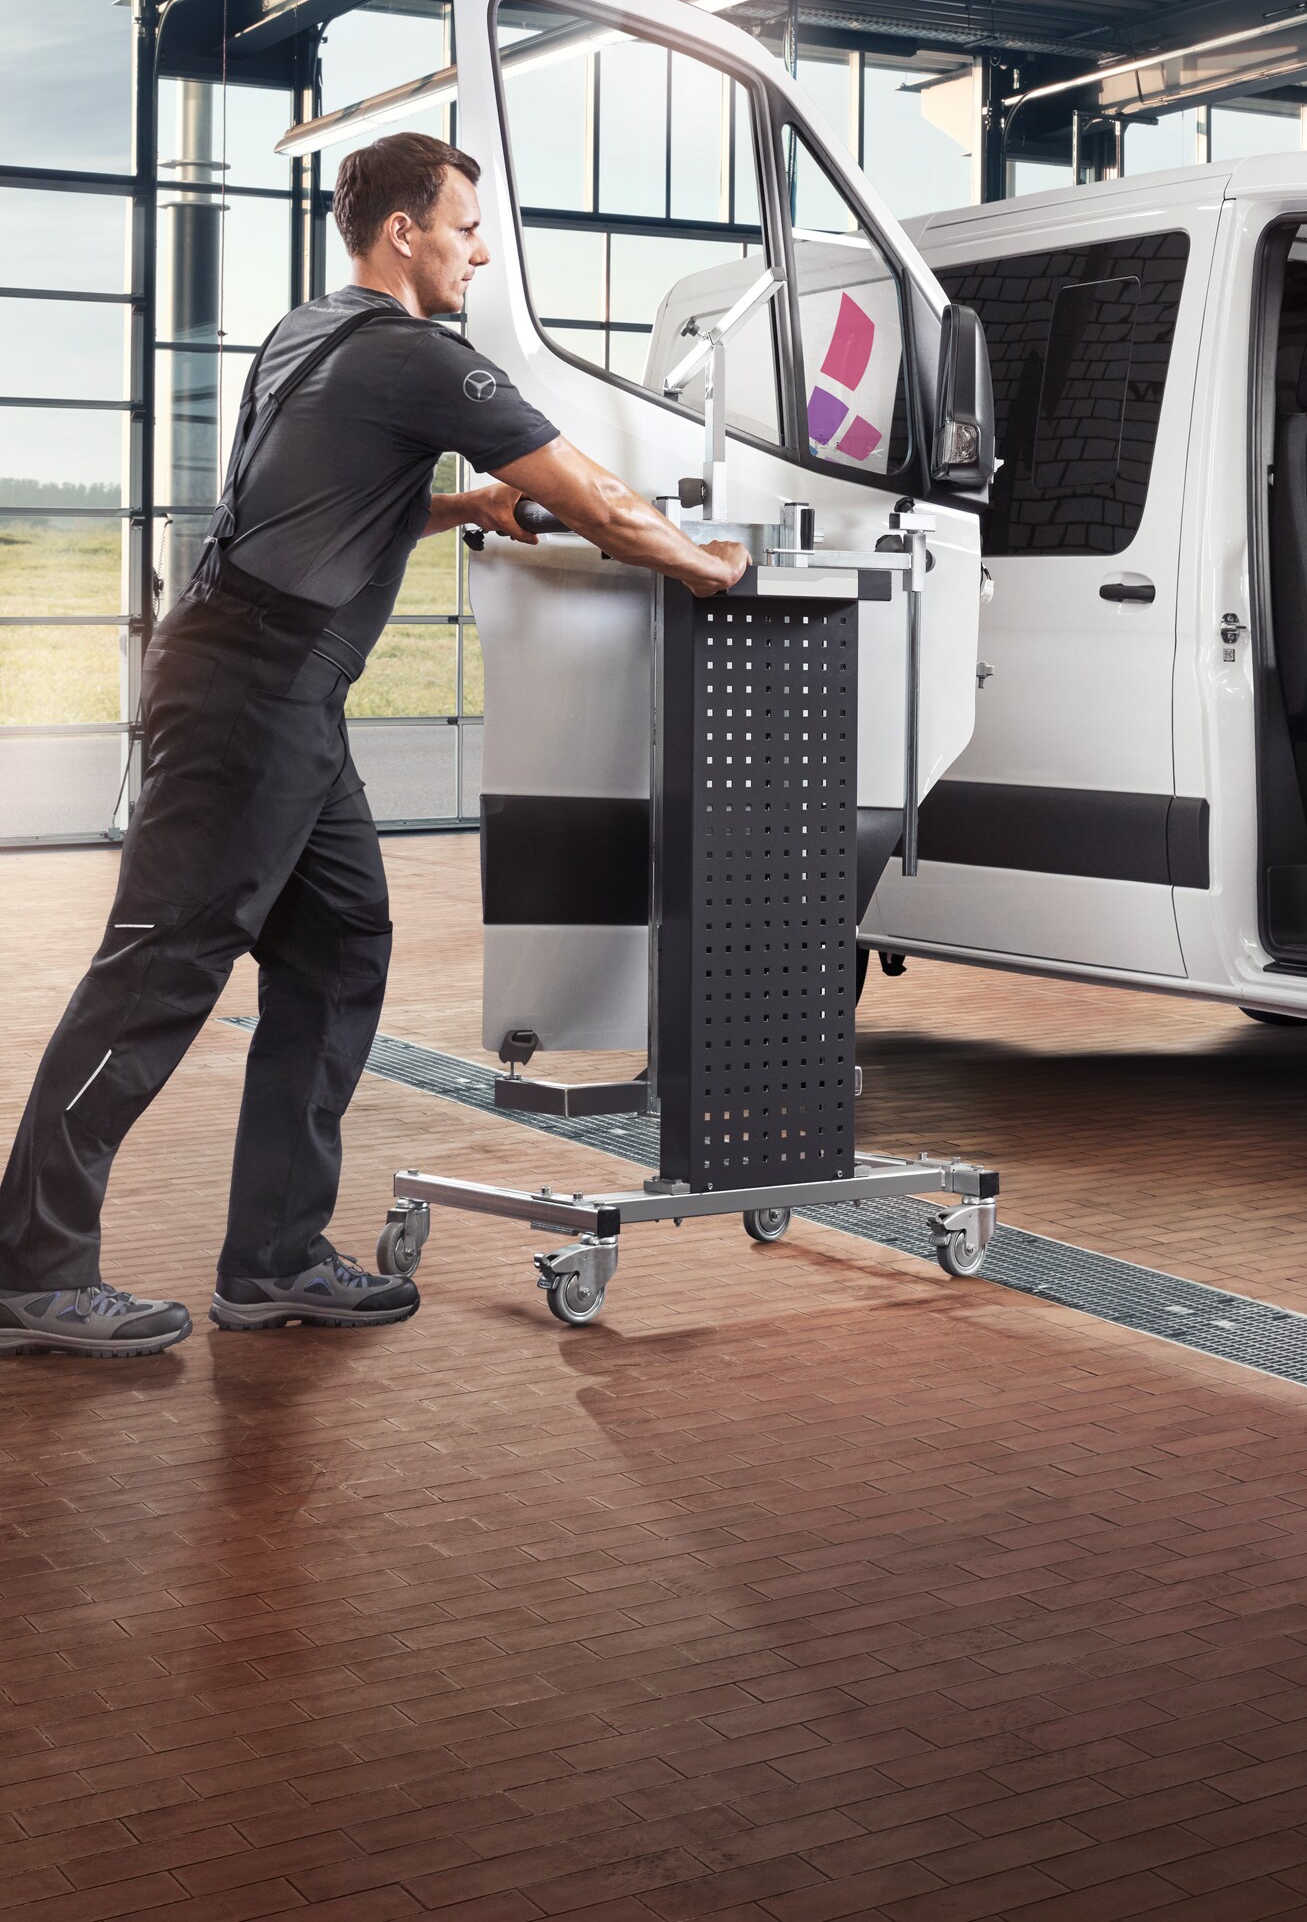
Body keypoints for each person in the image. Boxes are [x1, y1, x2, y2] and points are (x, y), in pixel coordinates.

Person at [0, 130, 747, 1356]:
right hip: (255, 693)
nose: (478, 249)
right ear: (404, 231)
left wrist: (459, 501)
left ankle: (277, 1255)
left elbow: (322, 493)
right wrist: (707, 567)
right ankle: (30, 1266)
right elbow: (598, 501)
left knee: (344, 940)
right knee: (159, 970)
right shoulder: (418, 356)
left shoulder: (308, 330)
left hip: (278, 684)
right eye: (463, 226)